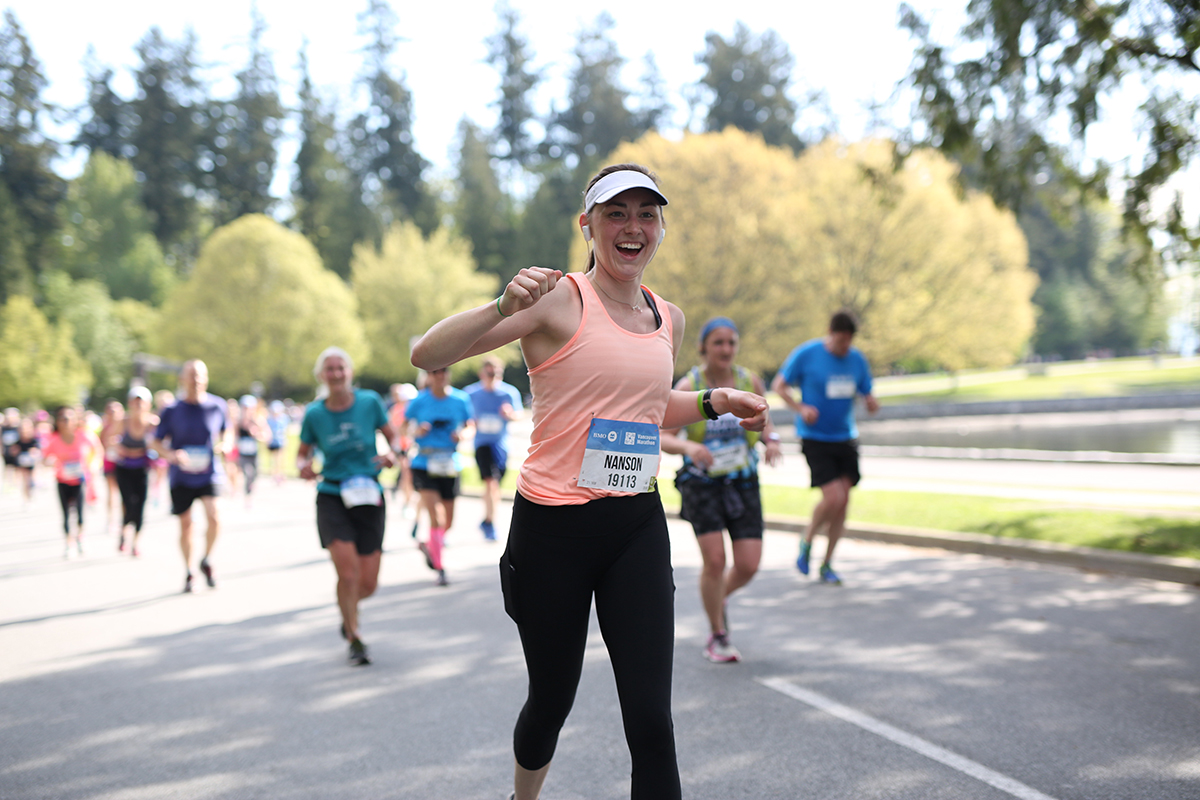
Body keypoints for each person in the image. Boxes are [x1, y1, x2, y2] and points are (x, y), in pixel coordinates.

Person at [411, 163, 768, 800]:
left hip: (634, 523)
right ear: (589, 225)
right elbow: (428, 356)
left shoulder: (670, 318)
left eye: (646, 214)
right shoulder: (556, 299)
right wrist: (502, 303)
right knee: (551, 702)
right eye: (616, 214)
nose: (633, 228)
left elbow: (650, 409)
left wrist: (715, 400)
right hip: (552, 529)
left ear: (660, 227)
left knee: (652, 723)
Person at [659, 316, 782, 663]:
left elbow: (765, 422)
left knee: (748, 564)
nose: (726, 349)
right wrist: (690, 448)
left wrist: (770, 440)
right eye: (718, 343)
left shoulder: (748, 380)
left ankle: (717, 597)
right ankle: (718, 634)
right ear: (704, 347)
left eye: (731, 342)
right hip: (702, 484)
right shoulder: (690, 383)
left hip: (742, 481)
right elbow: (663, 434)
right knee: (715, 561)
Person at [297, 347, 398, 666]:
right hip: (332, 494)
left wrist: (391, 454)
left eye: (341, 367)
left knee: (368, 582)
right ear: (321, 376)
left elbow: (393, 439)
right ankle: (355, 637)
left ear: (350, 372)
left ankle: (347, 610)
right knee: (348, 572)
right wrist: (304, 465)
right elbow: (302, 453)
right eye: (330, 369)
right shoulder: (315, 413)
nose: (336, 373)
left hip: (369, 493)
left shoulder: (370, 402)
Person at [771, 310, 879, 585]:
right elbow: (780, 386)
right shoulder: (807, 354)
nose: (844, 348)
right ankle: (807, 540)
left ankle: (828, 563)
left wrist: (870, 402)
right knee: (834, 498)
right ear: (831, 334)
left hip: (845, 437)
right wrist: (800, 407)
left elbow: (867, 391)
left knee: (844, 503)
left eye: (848, 343)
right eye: (840, 342)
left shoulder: (856, 359)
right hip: (815, 437)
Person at [151, 360, 230, 593]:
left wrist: (225, 444)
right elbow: (156, 442)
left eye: (199, 376)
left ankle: (206, 559)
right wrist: (172, 454)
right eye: (191, 376)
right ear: (182, 380)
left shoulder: (217, 406)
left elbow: (228, 431)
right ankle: (188, 571)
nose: (195, 380)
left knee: (214, 517)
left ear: (206, 379)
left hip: (209, 473)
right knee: (186, 525)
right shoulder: (172, 410)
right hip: (182, 476)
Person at [405, 367, 473, 586]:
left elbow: (470, 425)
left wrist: (463, 434)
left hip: (449, 462)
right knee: (437, 516)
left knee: (448, 521)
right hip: (425, 462)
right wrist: (417, 431)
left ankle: (429, 544)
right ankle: (440, 567)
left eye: (443, 371)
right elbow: (403, 427)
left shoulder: (460, 399)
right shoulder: (419, 401)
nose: (439, 375)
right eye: (434, 372)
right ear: (428, 376)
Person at [464, 355, 524, 540]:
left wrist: (510, 414)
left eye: (496, 373)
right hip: (482, 444)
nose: (493, 377)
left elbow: (519, 415)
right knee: (490, 482)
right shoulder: (471, 393)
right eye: (489, 373)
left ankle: (487, 518)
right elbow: (464, 417)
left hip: (501, 445)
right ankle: (490, 523)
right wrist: (469, 425)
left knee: (494, 485)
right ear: (482, 373)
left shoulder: (508, 393)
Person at [42, 406, 100, 558]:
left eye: (69, 419)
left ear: (75, 420)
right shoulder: (54, 439)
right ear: (58, 422)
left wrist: (93, 465)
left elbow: (98, 450)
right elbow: (45, 458)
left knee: (80, 514)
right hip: (62, 480)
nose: (66, 422)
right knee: (66, 514)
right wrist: (50, 462)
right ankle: (69, 544)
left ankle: (81, 538)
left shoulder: (83, 435)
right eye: (63, 419)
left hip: (80, 480)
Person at [114, 386, 157, 556]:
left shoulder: (152, 423)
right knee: (128, 504)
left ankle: (136, 542)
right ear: (130, 403)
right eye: (135, 401)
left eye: (142, 401)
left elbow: (160, 443)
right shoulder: (123, 421)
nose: (138, 405)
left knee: (140, 505)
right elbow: (109, 439)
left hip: (142, 469)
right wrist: (119, 447)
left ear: (148, 404)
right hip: (124, 468)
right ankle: (124, 531)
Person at [385, 383, 417, 513]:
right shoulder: (396, 410)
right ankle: (407, 502)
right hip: (402, 447)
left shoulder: (414, 409)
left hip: (413, 446)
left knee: (408, 475)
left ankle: (406, 499)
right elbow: (394, 430)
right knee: (406, 474)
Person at [99, 400, 125, 531]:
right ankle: (110, 520)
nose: (113, 414)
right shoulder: (105, 427)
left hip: (124, 462)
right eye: (110, 412)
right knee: (111, 492)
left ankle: (124, 520)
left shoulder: (126, 426)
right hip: (109, 462)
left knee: (123, 493)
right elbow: (100, 445)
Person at [236, 394, 265, 507]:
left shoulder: (258, 420)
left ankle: (250, 492)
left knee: (255, 474)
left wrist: (256, 434)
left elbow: (266, 436)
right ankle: (247, 496)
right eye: (245, 408)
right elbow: (234, 436)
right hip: (242, 453)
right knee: (247, 473)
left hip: (254, 452)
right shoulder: (238, 421)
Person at [266, 400, 290, 485]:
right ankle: (274, 475)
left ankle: (280, 475)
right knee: (273, 459)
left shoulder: (283, 419)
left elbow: (285, 430)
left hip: (280, 442)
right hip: (272, 442)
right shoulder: (269, 419)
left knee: (280, 459)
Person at [2, 407, 20, 492]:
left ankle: (16, 485)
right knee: (8, 468)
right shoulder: (3, 428)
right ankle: (9, 484)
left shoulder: (18, 427)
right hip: (6, 450)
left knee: (17, 469)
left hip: (17, 451)